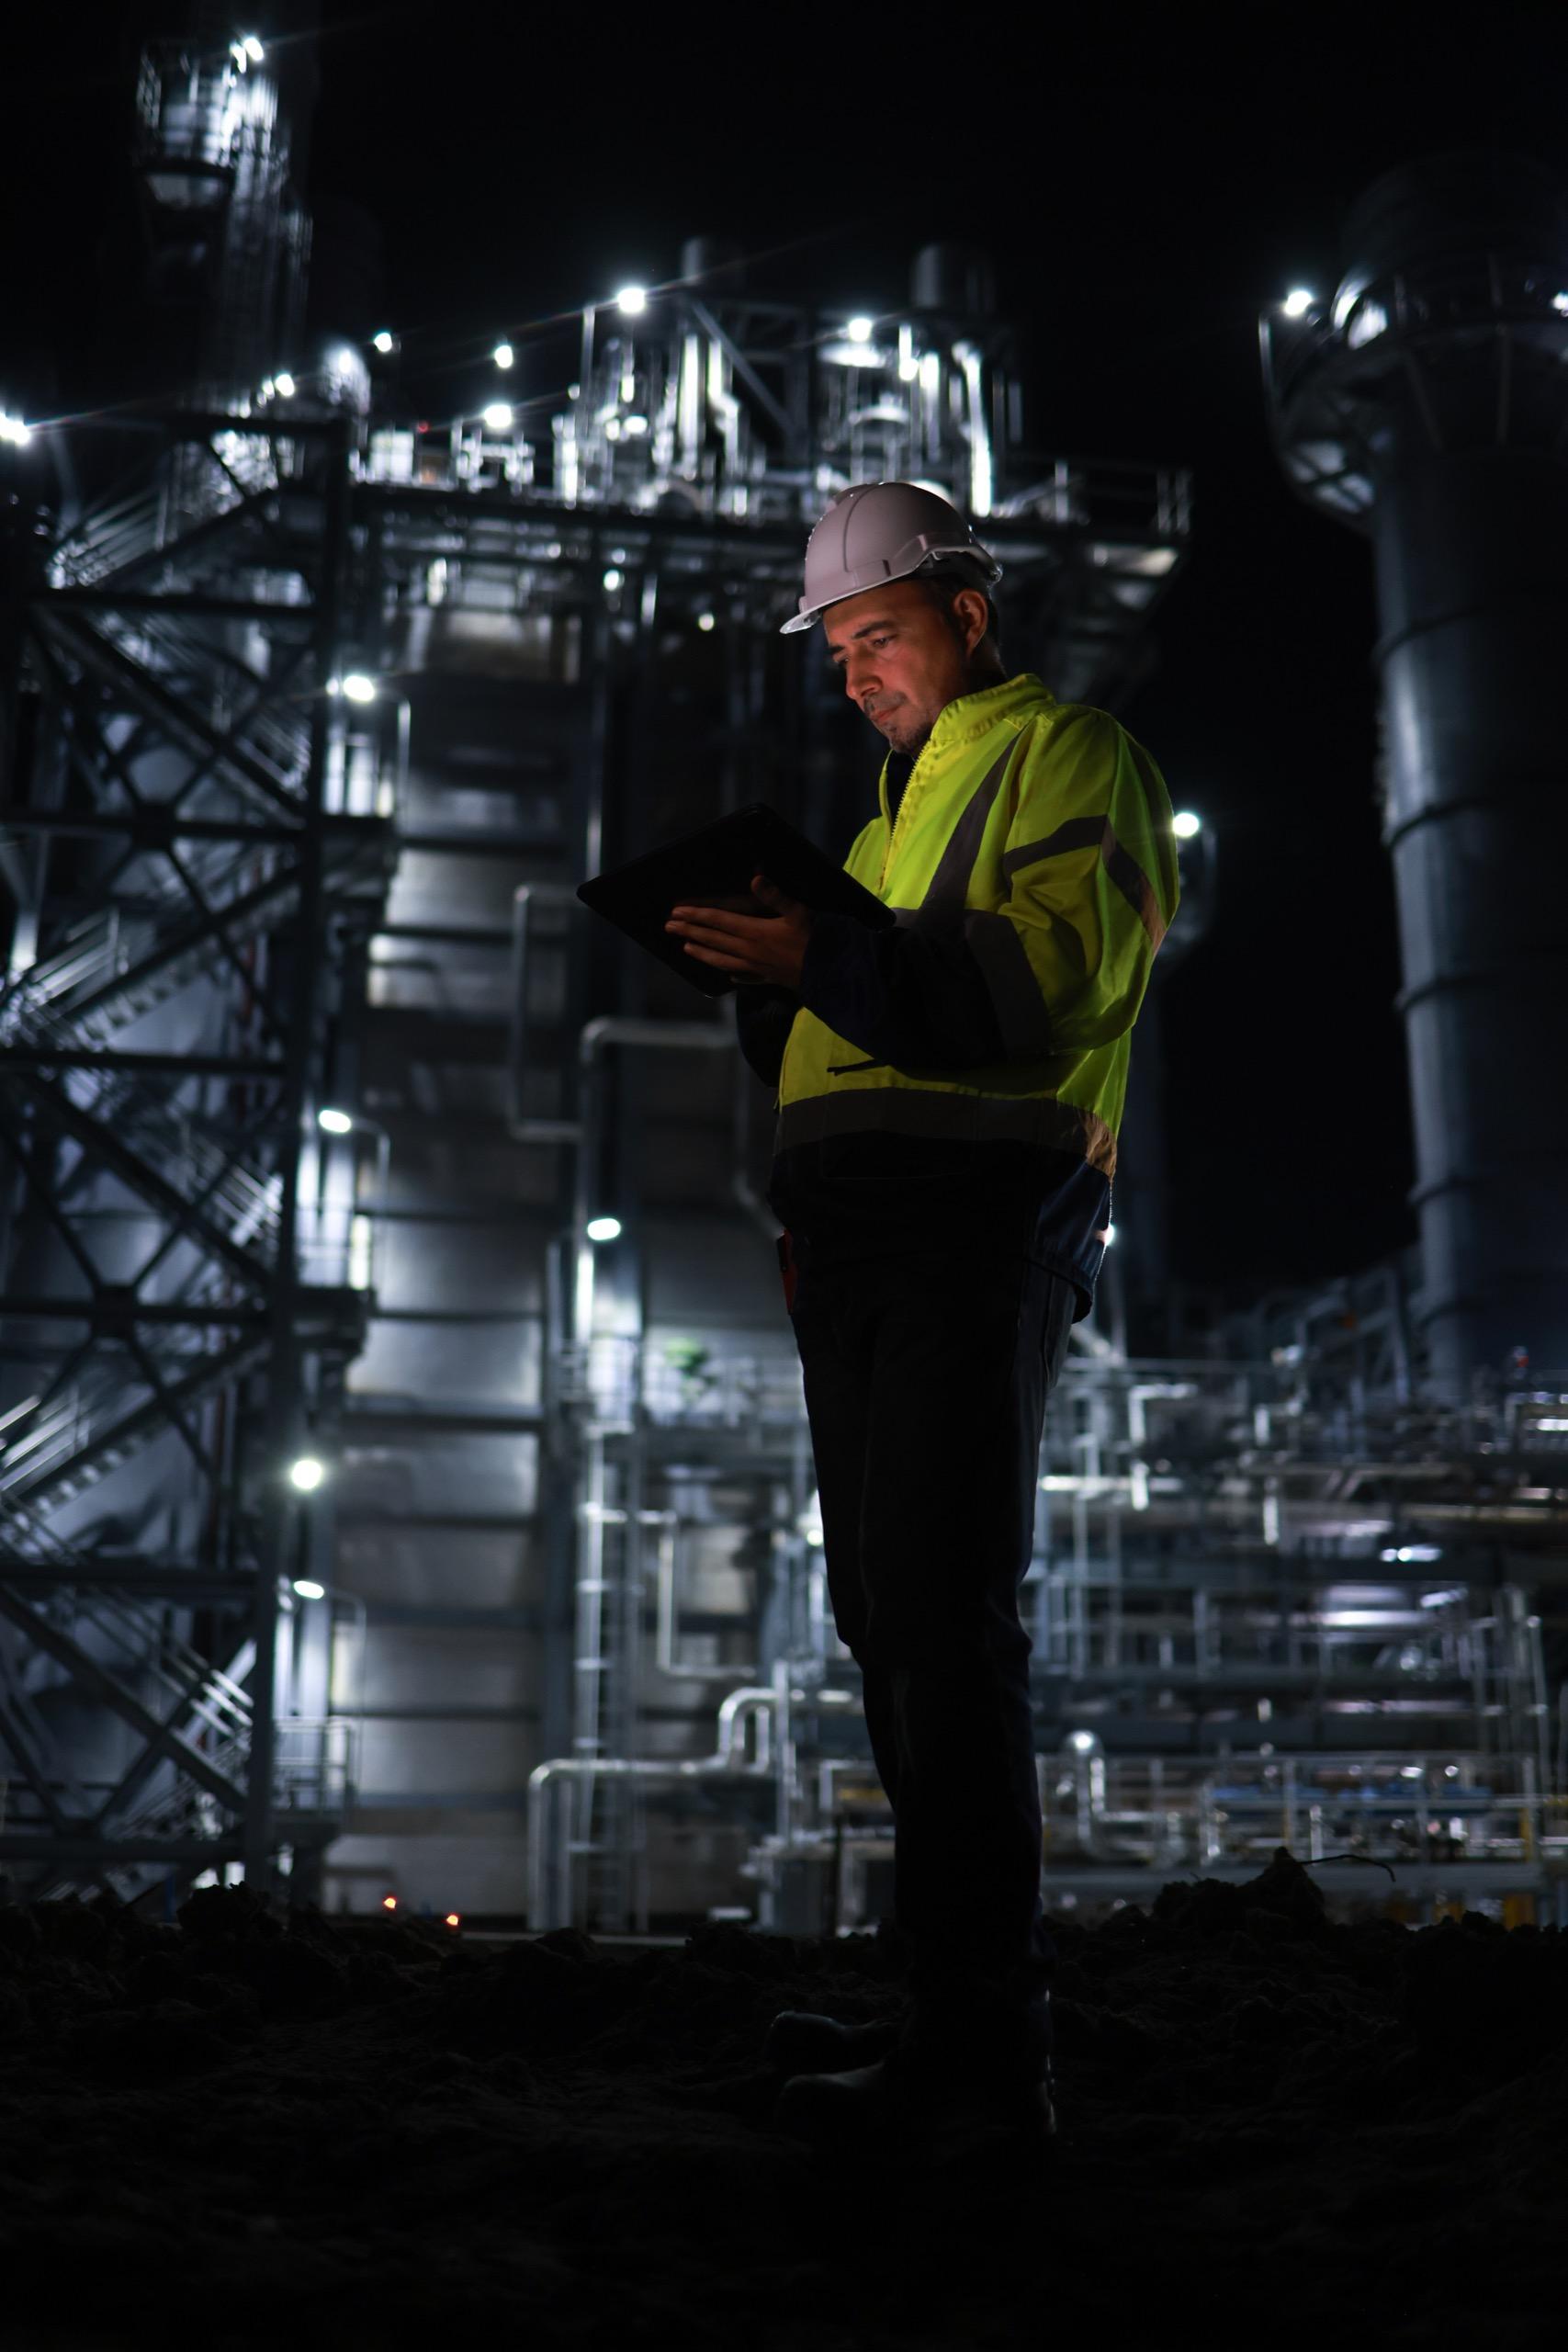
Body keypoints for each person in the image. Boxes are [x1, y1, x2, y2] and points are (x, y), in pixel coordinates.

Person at [664, 481, 1179, 2150]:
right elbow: (856, 1029)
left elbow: (1044, 986)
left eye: (875, 636)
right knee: (892, 1620)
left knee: (945, 1623)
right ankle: (944, 2018)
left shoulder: (1070, 756)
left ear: (967, 613)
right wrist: (770, 977)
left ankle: (984, 2061)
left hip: (976, 1224)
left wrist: (822, 955)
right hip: (860, 1243)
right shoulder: (887, 826)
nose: (855, 675)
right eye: (836, 654)